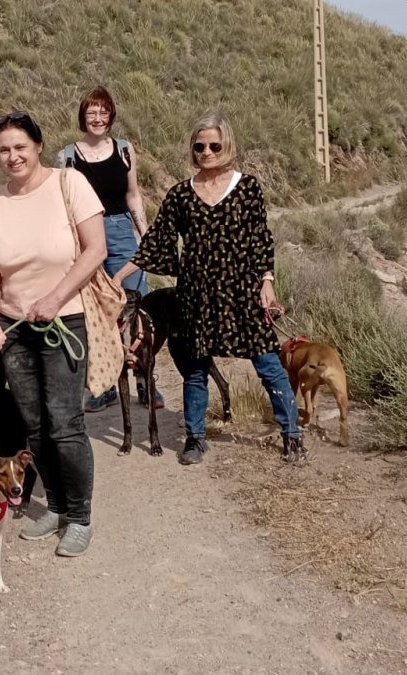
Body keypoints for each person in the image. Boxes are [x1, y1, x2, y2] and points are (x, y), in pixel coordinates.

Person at [114, 112, 304, 465]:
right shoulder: (181, 195)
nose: (206, 152)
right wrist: (118, 276)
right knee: (195, 369)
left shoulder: (247, 188)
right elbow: (156, 242)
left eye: (214, 145)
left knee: (267, 364)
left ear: (227, 146)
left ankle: (292, 435)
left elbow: (261, 240)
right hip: (197, 296)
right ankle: (195, 438)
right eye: (199, 146)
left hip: (243, 293)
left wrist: (267, 282)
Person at [0, 112, 107, 557]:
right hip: (15, 331)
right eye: (3, 150)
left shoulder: (68, 184)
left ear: (36, 146)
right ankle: (53, 505)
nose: (12, 156)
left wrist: (55, 298)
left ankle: (79, 515)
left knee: (65, 424)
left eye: (20, 147)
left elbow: (96, 250)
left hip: (63, 321)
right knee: (34, 427)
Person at [55, 86, 158, 412]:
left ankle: (145, 382)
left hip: (121, 232)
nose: (97, 118)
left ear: (110, 116)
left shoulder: (125, 150)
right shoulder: (67, 156)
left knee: (136, 311)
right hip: (86, 235)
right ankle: (105, 385)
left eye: (103, 112)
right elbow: (66, 204)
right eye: (91, 112)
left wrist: (143, 233)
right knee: (97, 314)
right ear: (83, 117)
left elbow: (132, 195)